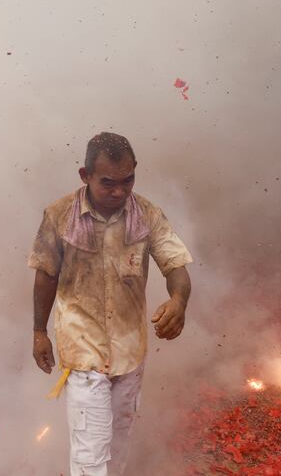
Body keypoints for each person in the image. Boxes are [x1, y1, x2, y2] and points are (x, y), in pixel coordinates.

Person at [28, 132, 193, 476]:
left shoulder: (147, 214)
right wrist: (39, 331)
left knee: (118, 445)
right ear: (85, 176)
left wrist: (179, 300)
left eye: (128, 180)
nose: (119, 191)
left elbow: (175, 264)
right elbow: (45, 274)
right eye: (108, 183)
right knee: (90, 452)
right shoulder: (59, 216)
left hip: (130, 353)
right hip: (84, 349)